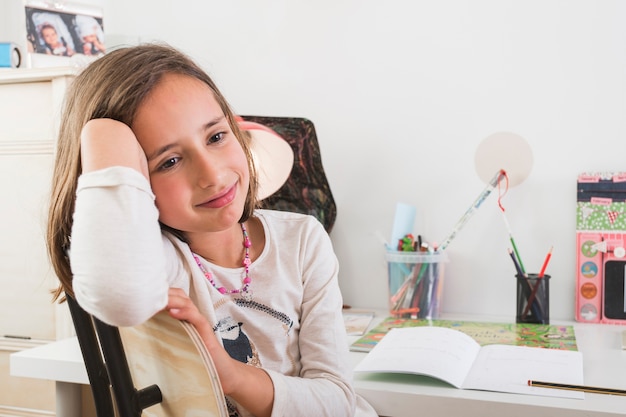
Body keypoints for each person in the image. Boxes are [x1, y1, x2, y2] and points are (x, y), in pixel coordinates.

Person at [46, 44, 377, 417]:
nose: (212, 176)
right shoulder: (159, 265)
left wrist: (230, 374)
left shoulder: (302, 240)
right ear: (137, 178)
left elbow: (336, 402)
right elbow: (119, 293)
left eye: (216, 137)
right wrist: (98, 132)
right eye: (169, 161)